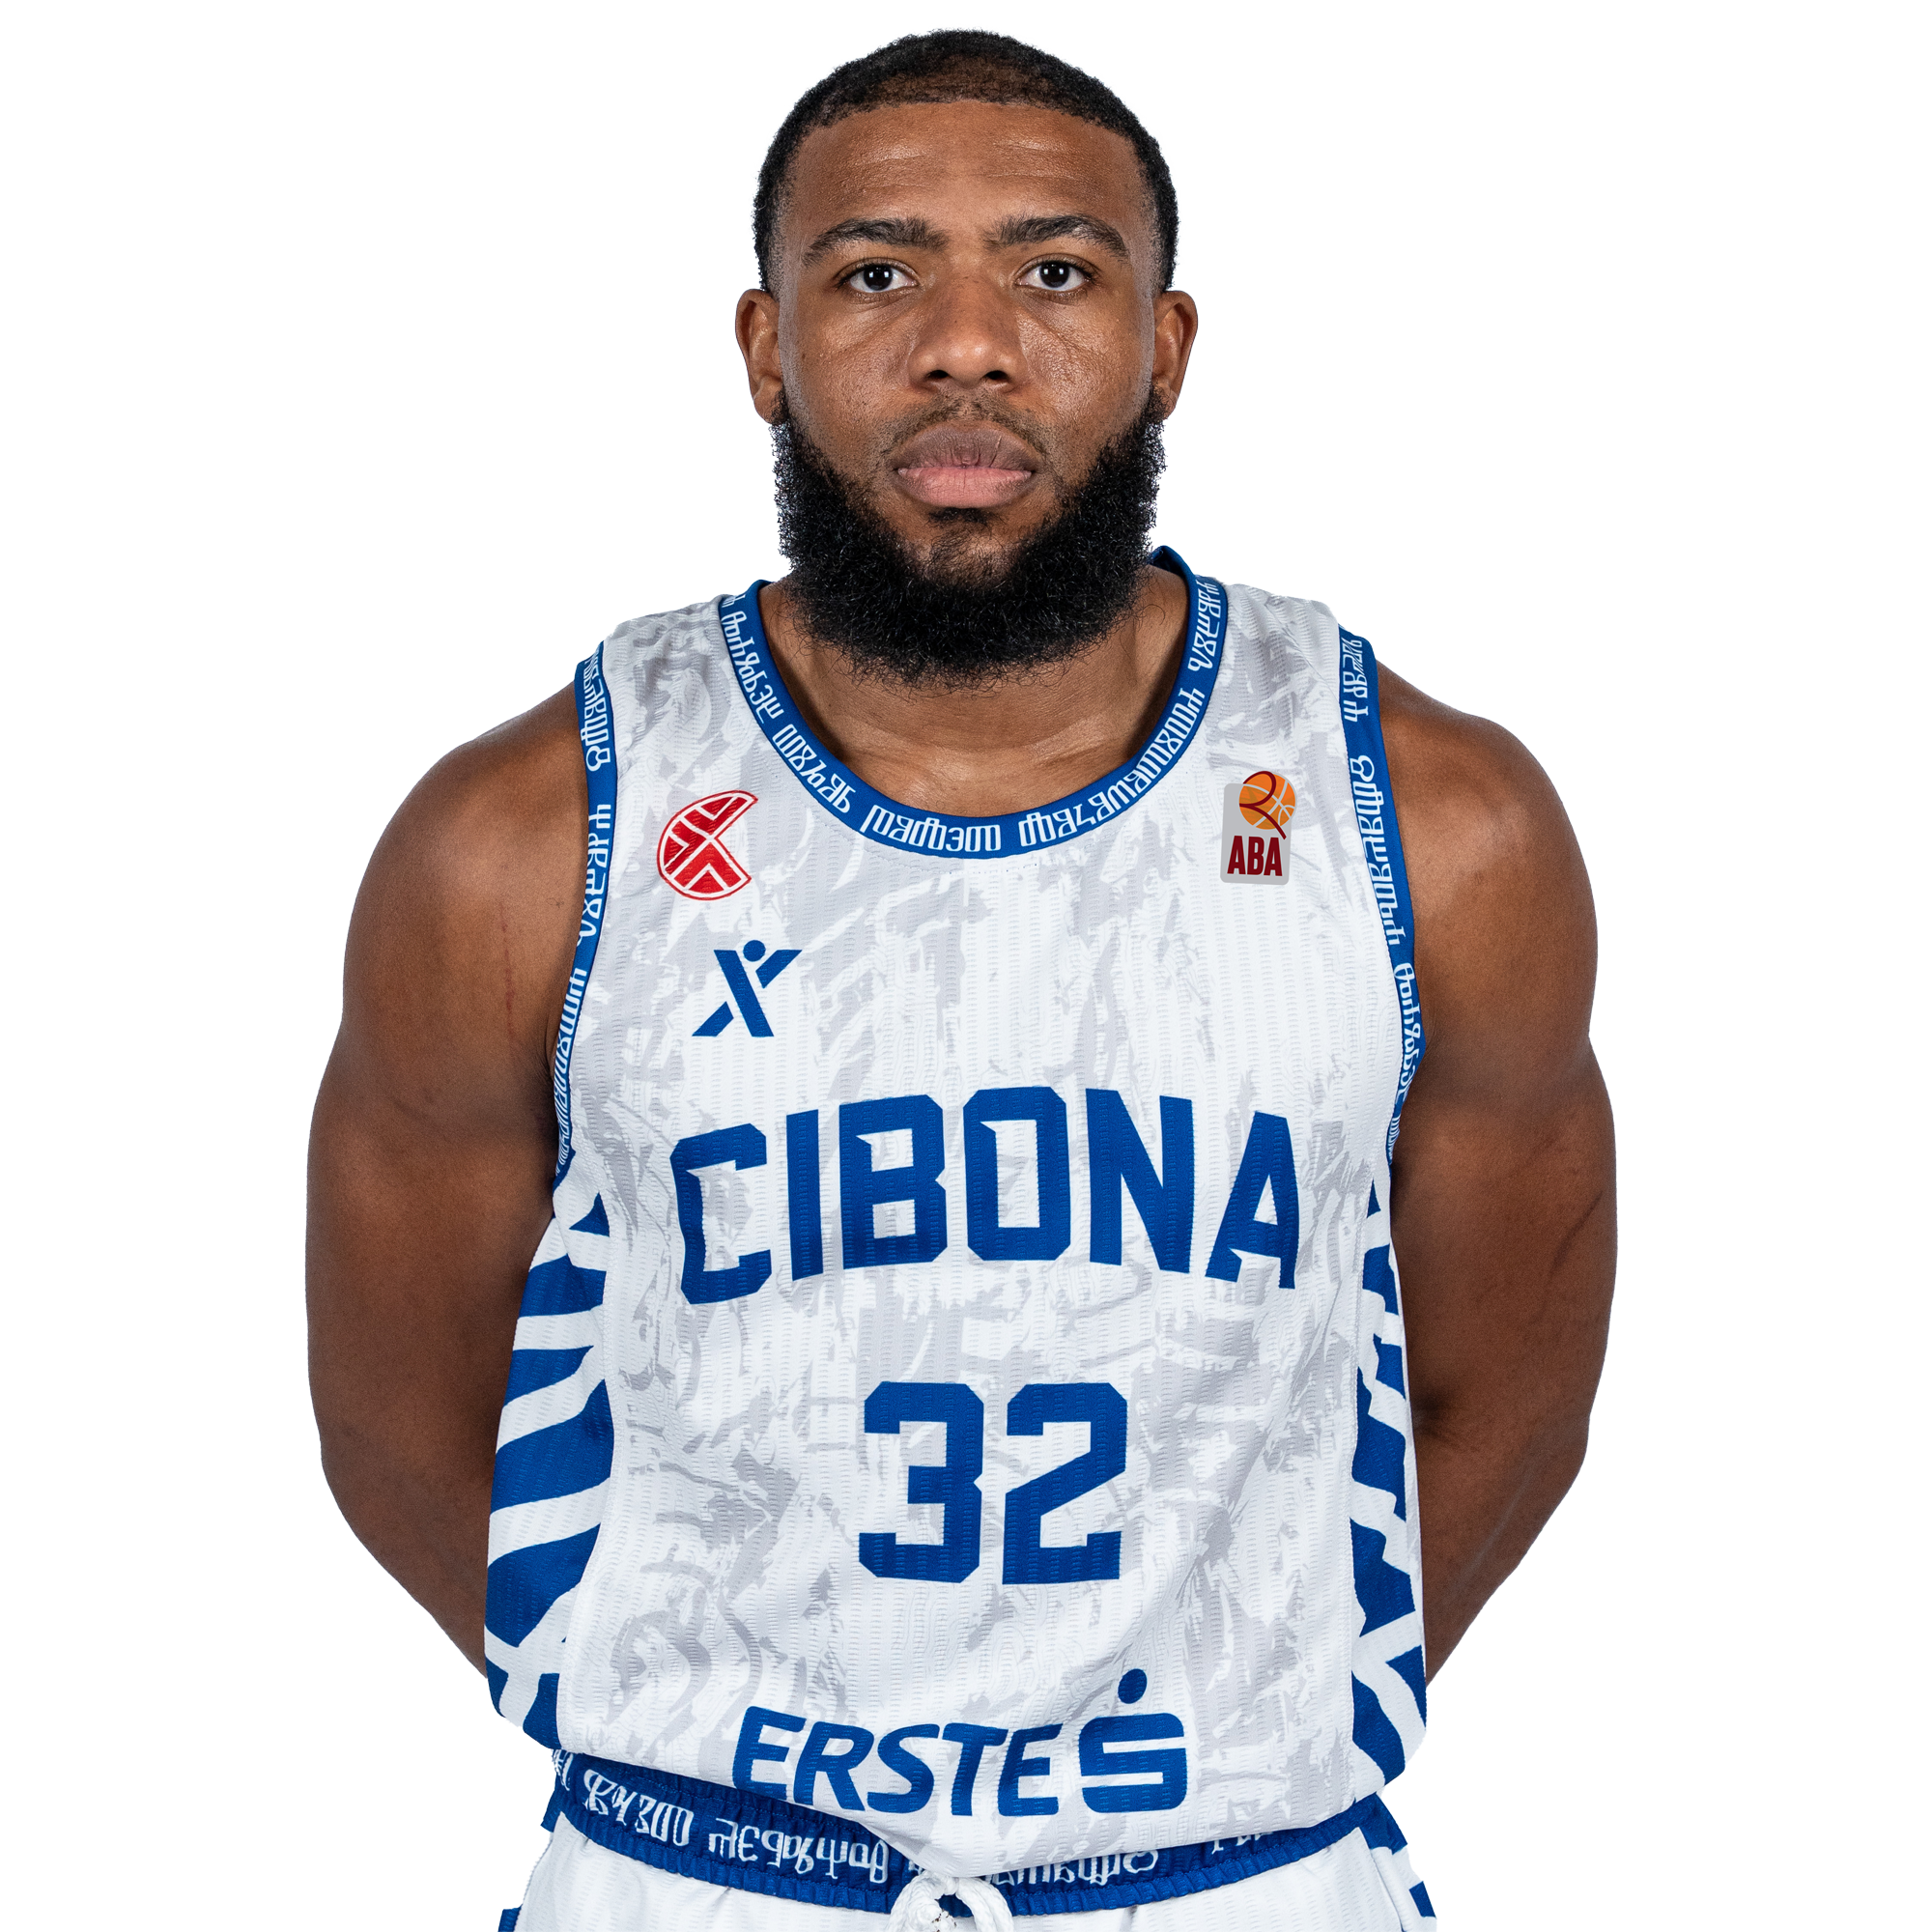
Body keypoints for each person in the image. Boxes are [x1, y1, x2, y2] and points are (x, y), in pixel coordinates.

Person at [307, 27, 1614, 1932]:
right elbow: (397, 1420)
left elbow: (1510, 1400)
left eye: (1056, 271)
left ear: (1164, 345)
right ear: (767, 346)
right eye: (876, 273)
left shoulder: (1430, 821)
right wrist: (698, 1756)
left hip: (1236, 1867)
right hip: (708, 1872)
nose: (969, 342)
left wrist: (1246, 1747)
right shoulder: (526, 836)